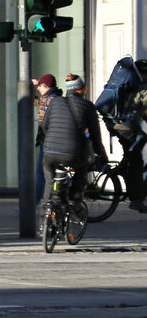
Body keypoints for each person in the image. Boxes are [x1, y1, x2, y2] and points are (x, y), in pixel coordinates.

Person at [38, 72, 108, 224]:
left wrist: (52, 141)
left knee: (50, 181)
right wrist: (102, 155)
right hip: (73, 153)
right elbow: (96, 137)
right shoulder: (87, 106)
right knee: (81, 170)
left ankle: (45, 217)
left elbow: (45, 125)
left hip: (50, 151)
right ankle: (74, 200)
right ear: (81, 90)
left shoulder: (55, 102)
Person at [33, 73, 59, 201]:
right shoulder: (48, 98)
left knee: (41, 172)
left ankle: (34, 203)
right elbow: (32, 100)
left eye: (40, 86)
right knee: (50, 172)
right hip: (48, 140)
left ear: (46, 86)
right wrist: (30, 86)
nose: (38, 88)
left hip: (48, 141)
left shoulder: (51, 100)